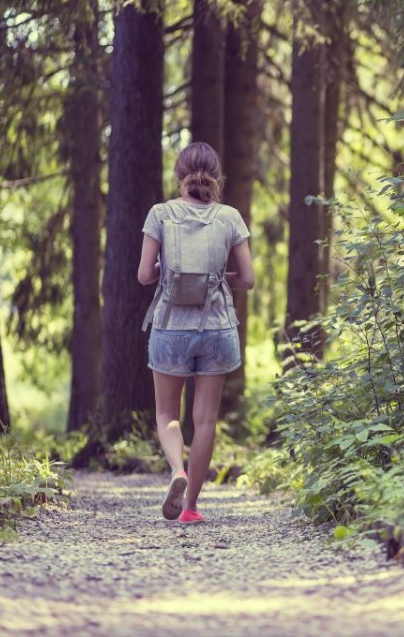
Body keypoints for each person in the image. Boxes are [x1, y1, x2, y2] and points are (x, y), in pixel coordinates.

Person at [136, 142, 254, 524]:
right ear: (217, 178)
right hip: (217, 328)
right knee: (205, 420)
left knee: (167, 413)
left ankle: (177, 471)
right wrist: (217, 280)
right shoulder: (230, 217)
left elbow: (143, 276)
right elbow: (248, 280)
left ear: (179, 175)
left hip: (170, 327)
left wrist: (165, 272)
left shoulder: (160, 214)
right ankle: (190, 508)